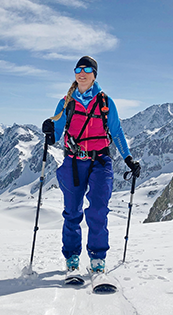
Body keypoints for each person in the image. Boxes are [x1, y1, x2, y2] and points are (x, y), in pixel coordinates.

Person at [42, 56, 141, 274]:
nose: (82, 73)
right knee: (72, 211)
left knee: (98, 210)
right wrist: (49, 131)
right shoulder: (66, 103)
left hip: (101, 161)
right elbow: (57, 135)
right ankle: (72, 257)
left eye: (87, 69)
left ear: (94, 74)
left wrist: (128, 158)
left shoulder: (105, 102)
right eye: (78, 69)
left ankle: (97, 258)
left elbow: (116, 131)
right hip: (74, 162)